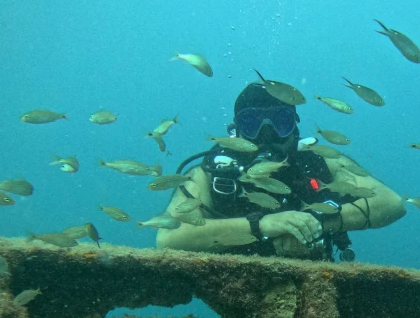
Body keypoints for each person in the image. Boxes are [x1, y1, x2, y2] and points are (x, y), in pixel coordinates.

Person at [155, 81, 406, 261]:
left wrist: (314, 223)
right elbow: (168, 238)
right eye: (251, 124)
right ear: (236, 130)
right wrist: (264, 225)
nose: (267, 133)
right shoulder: (211, 173)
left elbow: (392, 203)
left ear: (295, 127)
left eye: (281, 122)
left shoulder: (321, 161)